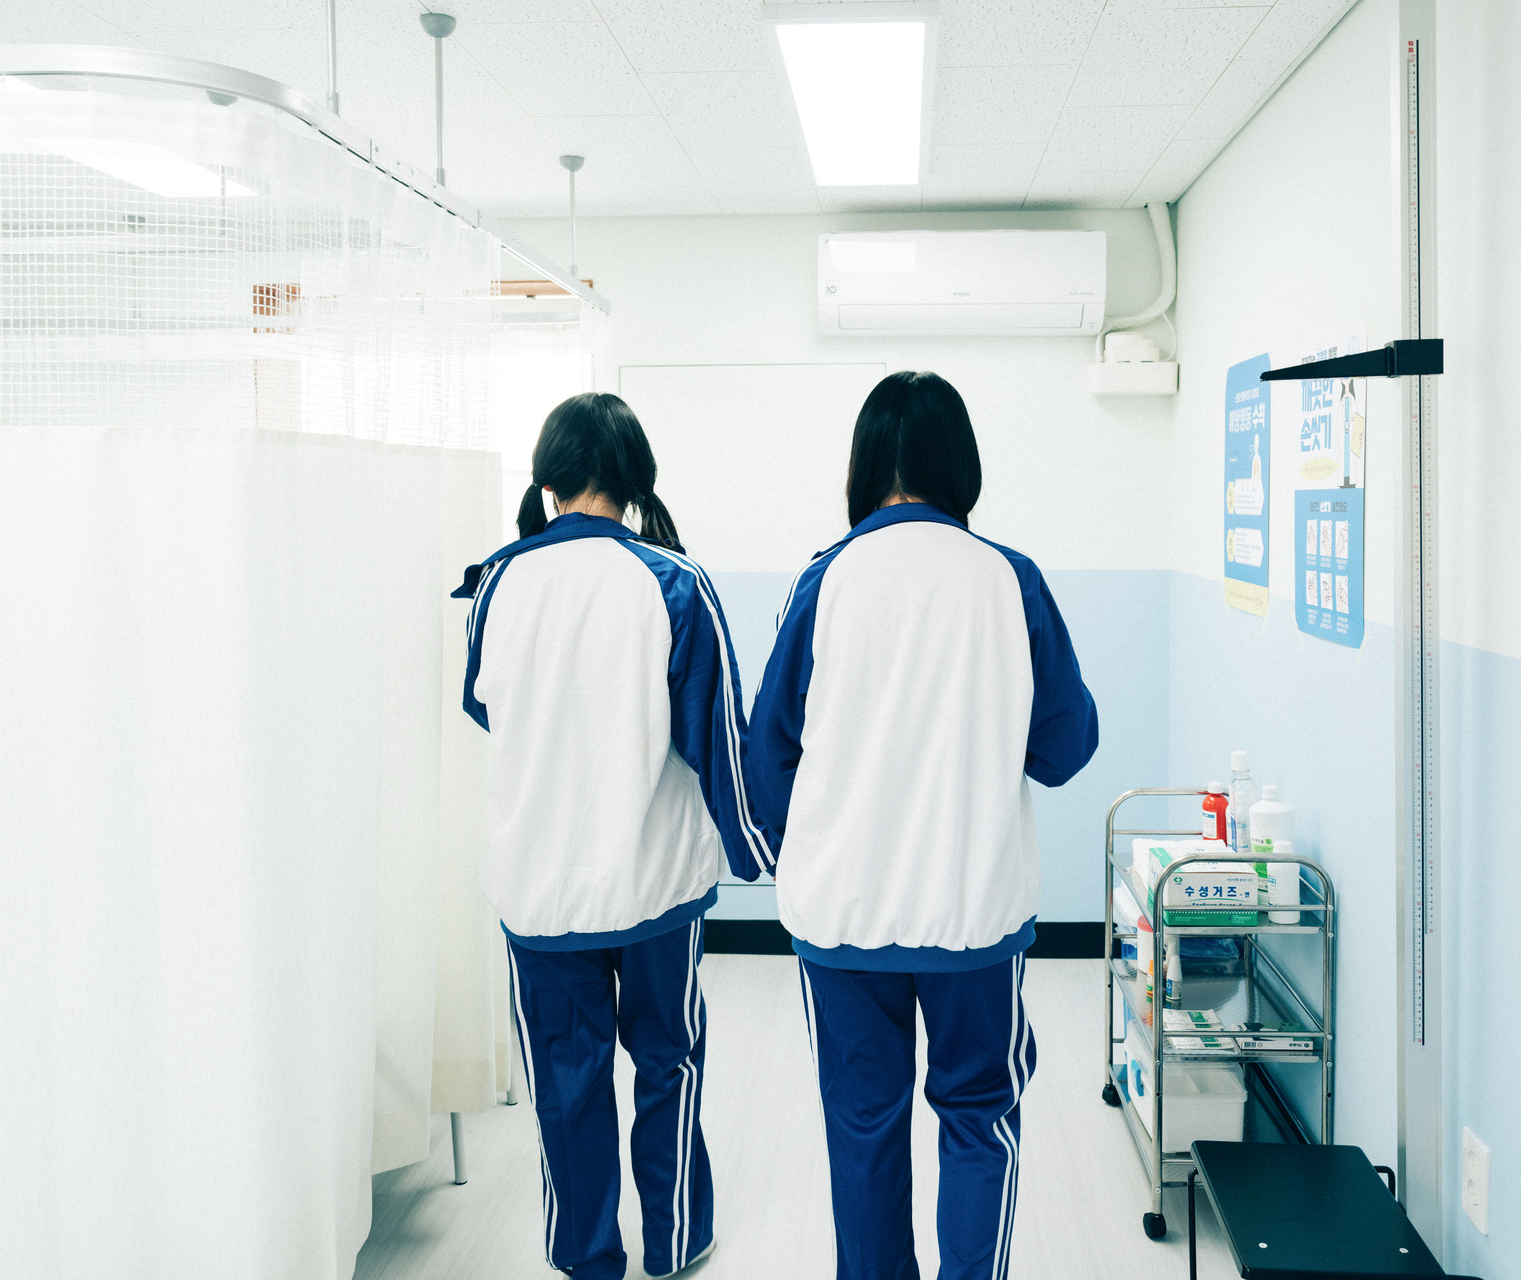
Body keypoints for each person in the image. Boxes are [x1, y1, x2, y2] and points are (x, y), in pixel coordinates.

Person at [746, 370, 1098, 1280]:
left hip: (841, 915)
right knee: (979, 1116)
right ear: (960, 467)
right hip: (974, 914)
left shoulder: (824, 579)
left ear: (864, 467)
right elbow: (1065, 749)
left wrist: (810, 847)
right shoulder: (1010, 580)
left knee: (863, 1125)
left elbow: (766, 753)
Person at [452, 391, 773, 1280]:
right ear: (634, 481)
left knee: (567, 1081)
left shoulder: (497, 584)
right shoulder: (674, 583)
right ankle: (674, 1242)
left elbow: (482, 705)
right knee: (668, 1060)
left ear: (548, 481)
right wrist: (759, 852)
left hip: (540, 886)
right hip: (654, 881)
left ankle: (588, 1255)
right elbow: (720, 741)